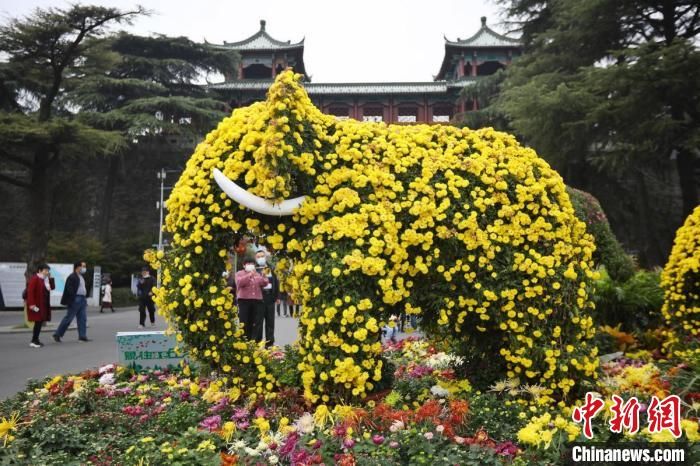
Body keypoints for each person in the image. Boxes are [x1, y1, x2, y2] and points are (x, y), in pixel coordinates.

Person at [54, 261, 90, 342]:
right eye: (83, 266)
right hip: (76, 299)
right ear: (78, 267)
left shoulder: (81, 276)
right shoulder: (72, 276)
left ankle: (82, 336)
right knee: (69, 318)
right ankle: (57, 334)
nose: (84, 268)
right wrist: (73, 298)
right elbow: (69, 288)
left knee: (82, 318)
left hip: (82, 299)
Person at [234, 257, 268, 340]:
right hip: (244, 301)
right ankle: (244, 340)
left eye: (252, 264)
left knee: (256, 322)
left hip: (257, 300)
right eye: (248, 264)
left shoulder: (257, 273)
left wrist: (264, 276)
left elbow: (264, 283)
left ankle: (255, 341)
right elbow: (239, 283)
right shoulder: (239, 273)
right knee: (244, 321)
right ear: (244, 265)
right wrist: (249, 275)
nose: (250, 265)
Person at [255, 249, 279, 347]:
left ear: (265, 257)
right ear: (255, 258)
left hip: (270, 297)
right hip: (259, 298)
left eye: (262, 256)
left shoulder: (271, 268)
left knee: (270, 322)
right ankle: (258, 343)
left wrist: (276, 296)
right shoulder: (254, 269)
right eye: (258, 256)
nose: (261, 258)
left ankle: (269, 344)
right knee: (258, 322)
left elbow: (276, 282)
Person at [26, 264, 53, 348]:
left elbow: (52, 287)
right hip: (36, 305)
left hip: (43, 305)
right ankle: (34, 340)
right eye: (45, 270)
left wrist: (50, 278)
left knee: (39, 322)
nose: (47, 272)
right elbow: (30, 292)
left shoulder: (45, 280)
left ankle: (35, 339)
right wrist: (32, 305)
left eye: (48, 270)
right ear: (40, 270)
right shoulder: (35, 279)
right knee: (38, 322)